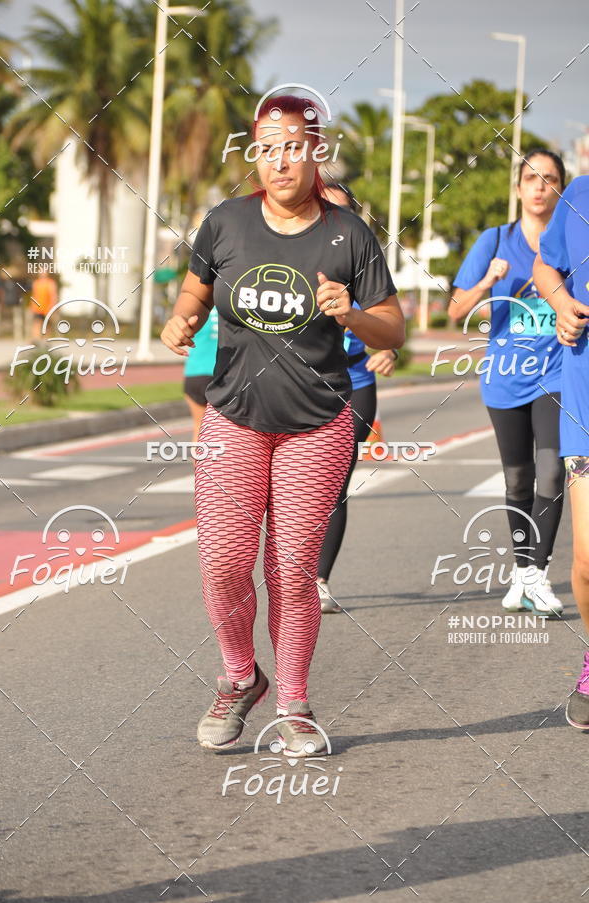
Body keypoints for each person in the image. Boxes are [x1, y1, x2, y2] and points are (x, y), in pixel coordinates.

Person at [160, 94, 404, 756]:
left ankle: (294, 701)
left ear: (314, 151)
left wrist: (352, 314)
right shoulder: (225, 222)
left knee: (291, 572)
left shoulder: (347, 234)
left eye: (292, 145)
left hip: (316, 424)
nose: (279, 160)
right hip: (233, 418)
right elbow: (196, 287)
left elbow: (396, 326)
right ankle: (241, 676)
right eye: (266, 147)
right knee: (221, 562)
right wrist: (182, 316)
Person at [449, 149, 569, 617]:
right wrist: (486, 282)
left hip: (557, 373)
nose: (541, 187)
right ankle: (522, 572)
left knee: (553, 470)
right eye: (532, 178)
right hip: (505, 378)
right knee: (518, 478)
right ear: (518, 188)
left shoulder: (572, 243)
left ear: (561, 189)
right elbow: (457, 308)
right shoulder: (495, 239)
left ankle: (538, 575)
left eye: (551, 179)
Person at [316, 182, 398, 613]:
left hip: (353, 384)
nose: (334, 219)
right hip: (294, 384)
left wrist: (388, 349)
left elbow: (388, 322)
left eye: (343, 212)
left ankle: (318, 580)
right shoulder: (287, 255)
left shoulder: (363, 263)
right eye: (325, 208)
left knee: (332, 485)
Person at [533, 175, 589, 728]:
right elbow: (544, 266)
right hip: (585, 395)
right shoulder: (579, 193)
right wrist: (561, 301)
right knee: (588, 559)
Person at [183, 305, 219, 442]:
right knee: (220, 433)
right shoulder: (230, 308)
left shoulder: (197, 309)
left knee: (199, 428)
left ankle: (198, 463)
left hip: (195, 374)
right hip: (221, 376)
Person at [30, 271, 58, 340]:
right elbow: (34, 295)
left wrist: (52, 306)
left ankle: (46, 340)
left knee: (47, 325)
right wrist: (32, 305)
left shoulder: (50, 283)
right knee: (37, 323)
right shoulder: (36, 283)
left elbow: (53, 296)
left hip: (47, 308)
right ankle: (36, 340)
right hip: (37, 308)